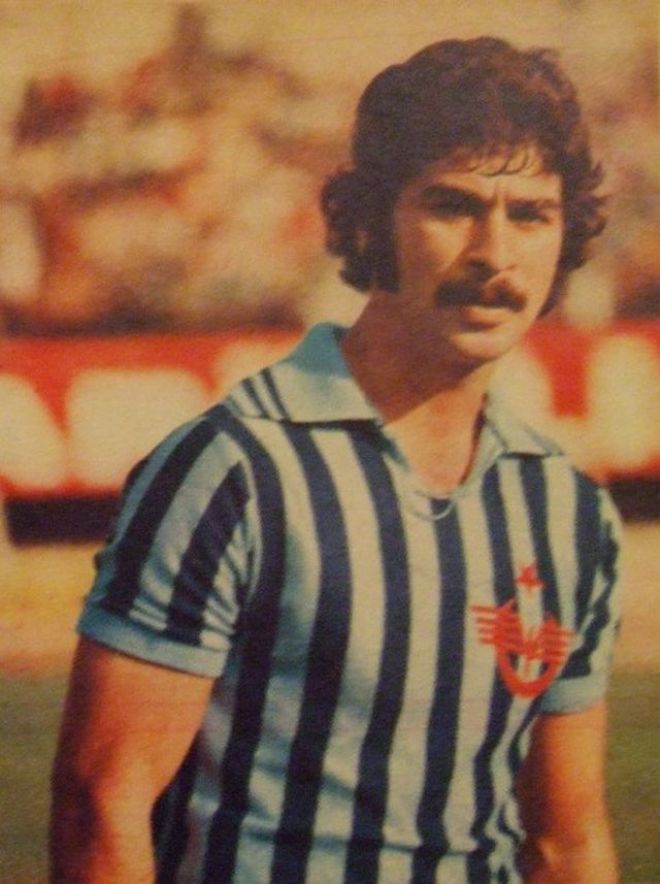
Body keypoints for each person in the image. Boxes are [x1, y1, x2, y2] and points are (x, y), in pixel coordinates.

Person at [50, 37, 622, 883]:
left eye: (531, 214)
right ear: (372, 220)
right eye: (454, 205)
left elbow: (566, 841)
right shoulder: (234, 470)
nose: (495, 254)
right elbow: (102, 803)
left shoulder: (567, 511)